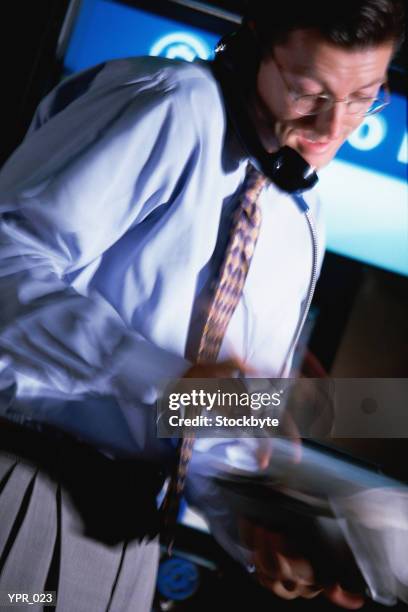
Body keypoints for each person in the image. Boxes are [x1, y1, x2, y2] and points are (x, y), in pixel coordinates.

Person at [0, 0, 404, 610]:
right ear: (253, 45)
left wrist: (254, 531)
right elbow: (8, 260)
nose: (332, 127)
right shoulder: (170, 103)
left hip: (132, 542)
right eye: (307, 91)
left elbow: (212, 419)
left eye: (362, 97)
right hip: (27, 491)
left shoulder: (303, 214)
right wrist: (163, 379)